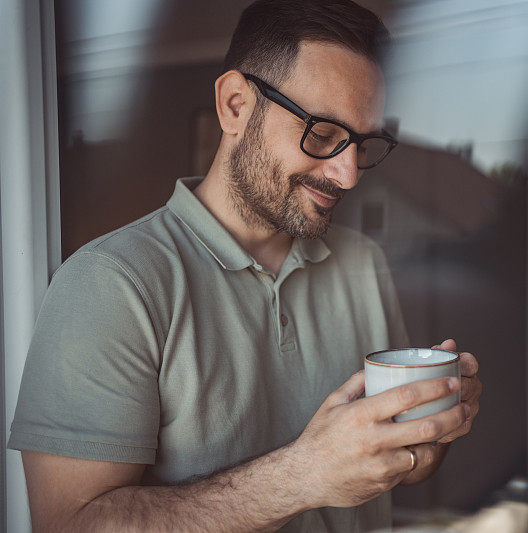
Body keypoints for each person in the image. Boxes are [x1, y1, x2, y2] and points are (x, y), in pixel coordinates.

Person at [8, 0, 483, 531]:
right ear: (235, 105)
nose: (348, 174)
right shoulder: (111, 284)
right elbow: (69, 523)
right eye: (323, 134)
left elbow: (399, 467)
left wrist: (434, 424)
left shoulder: (364, 262)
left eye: (362, 143)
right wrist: (302, 476)